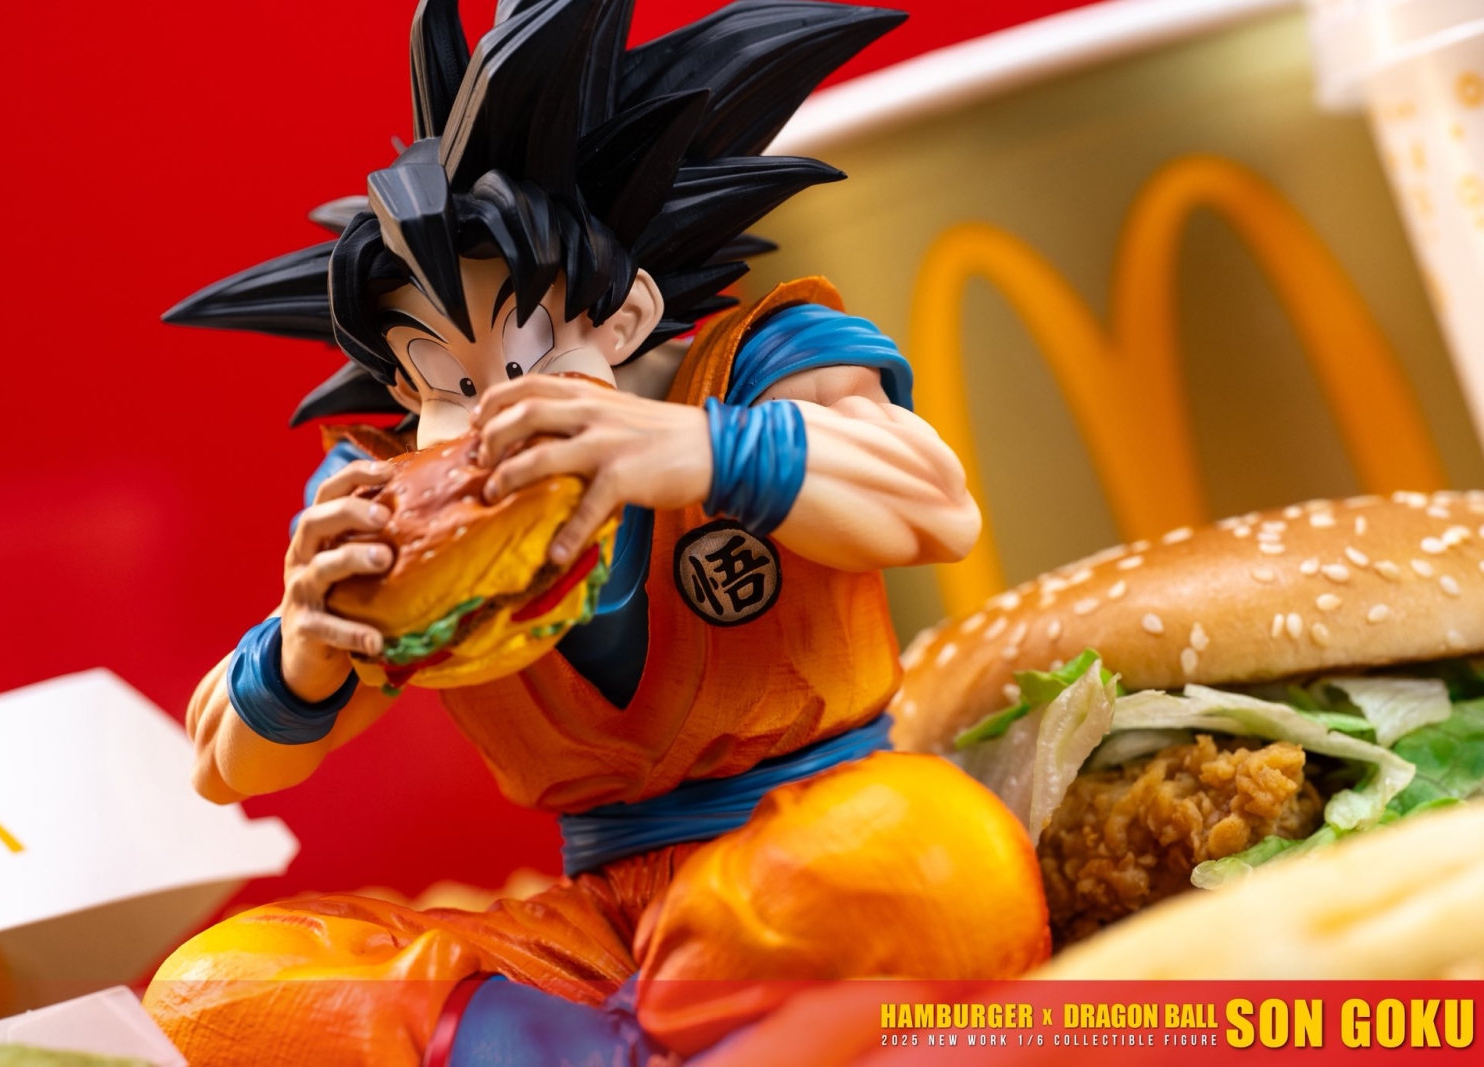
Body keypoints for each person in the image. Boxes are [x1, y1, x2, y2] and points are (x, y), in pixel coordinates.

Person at [145, 2, 1049, 1063]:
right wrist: (302, 648)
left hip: (818, 841)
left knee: (938, 861)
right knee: (211, 989)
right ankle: (634, 1043)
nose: (488, 414)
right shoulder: (383, 505)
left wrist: (700, 449)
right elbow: (225, 768)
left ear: (623, 317)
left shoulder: (762, 368)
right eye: (445, 384)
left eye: (519, 359)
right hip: (593, 928)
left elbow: (937, 504)